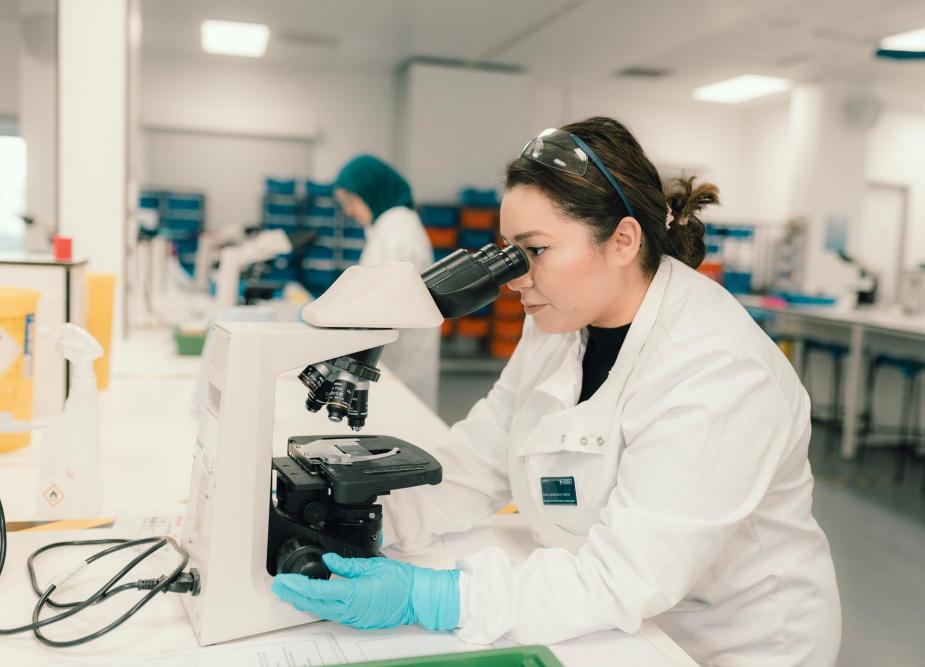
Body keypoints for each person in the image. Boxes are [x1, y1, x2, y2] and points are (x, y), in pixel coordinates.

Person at [273, 118, 841, 666]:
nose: (516, 277)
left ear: (622, 241)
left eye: (535, 251)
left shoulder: (717, 369)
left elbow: (625, 577)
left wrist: (437, 596)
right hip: (601, 620)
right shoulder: (560, 323)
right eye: (508, 252)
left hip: (722, 644)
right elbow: (479, 458)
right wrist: (358, 529)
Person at [333, 154, 439, 410]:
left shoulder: (397, 234)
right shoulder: (387, 228)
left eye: (350, 201)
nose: (348, 211)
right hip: (389, 361)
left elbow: (380, 308)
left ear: (371, 191)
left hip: (400, 364)